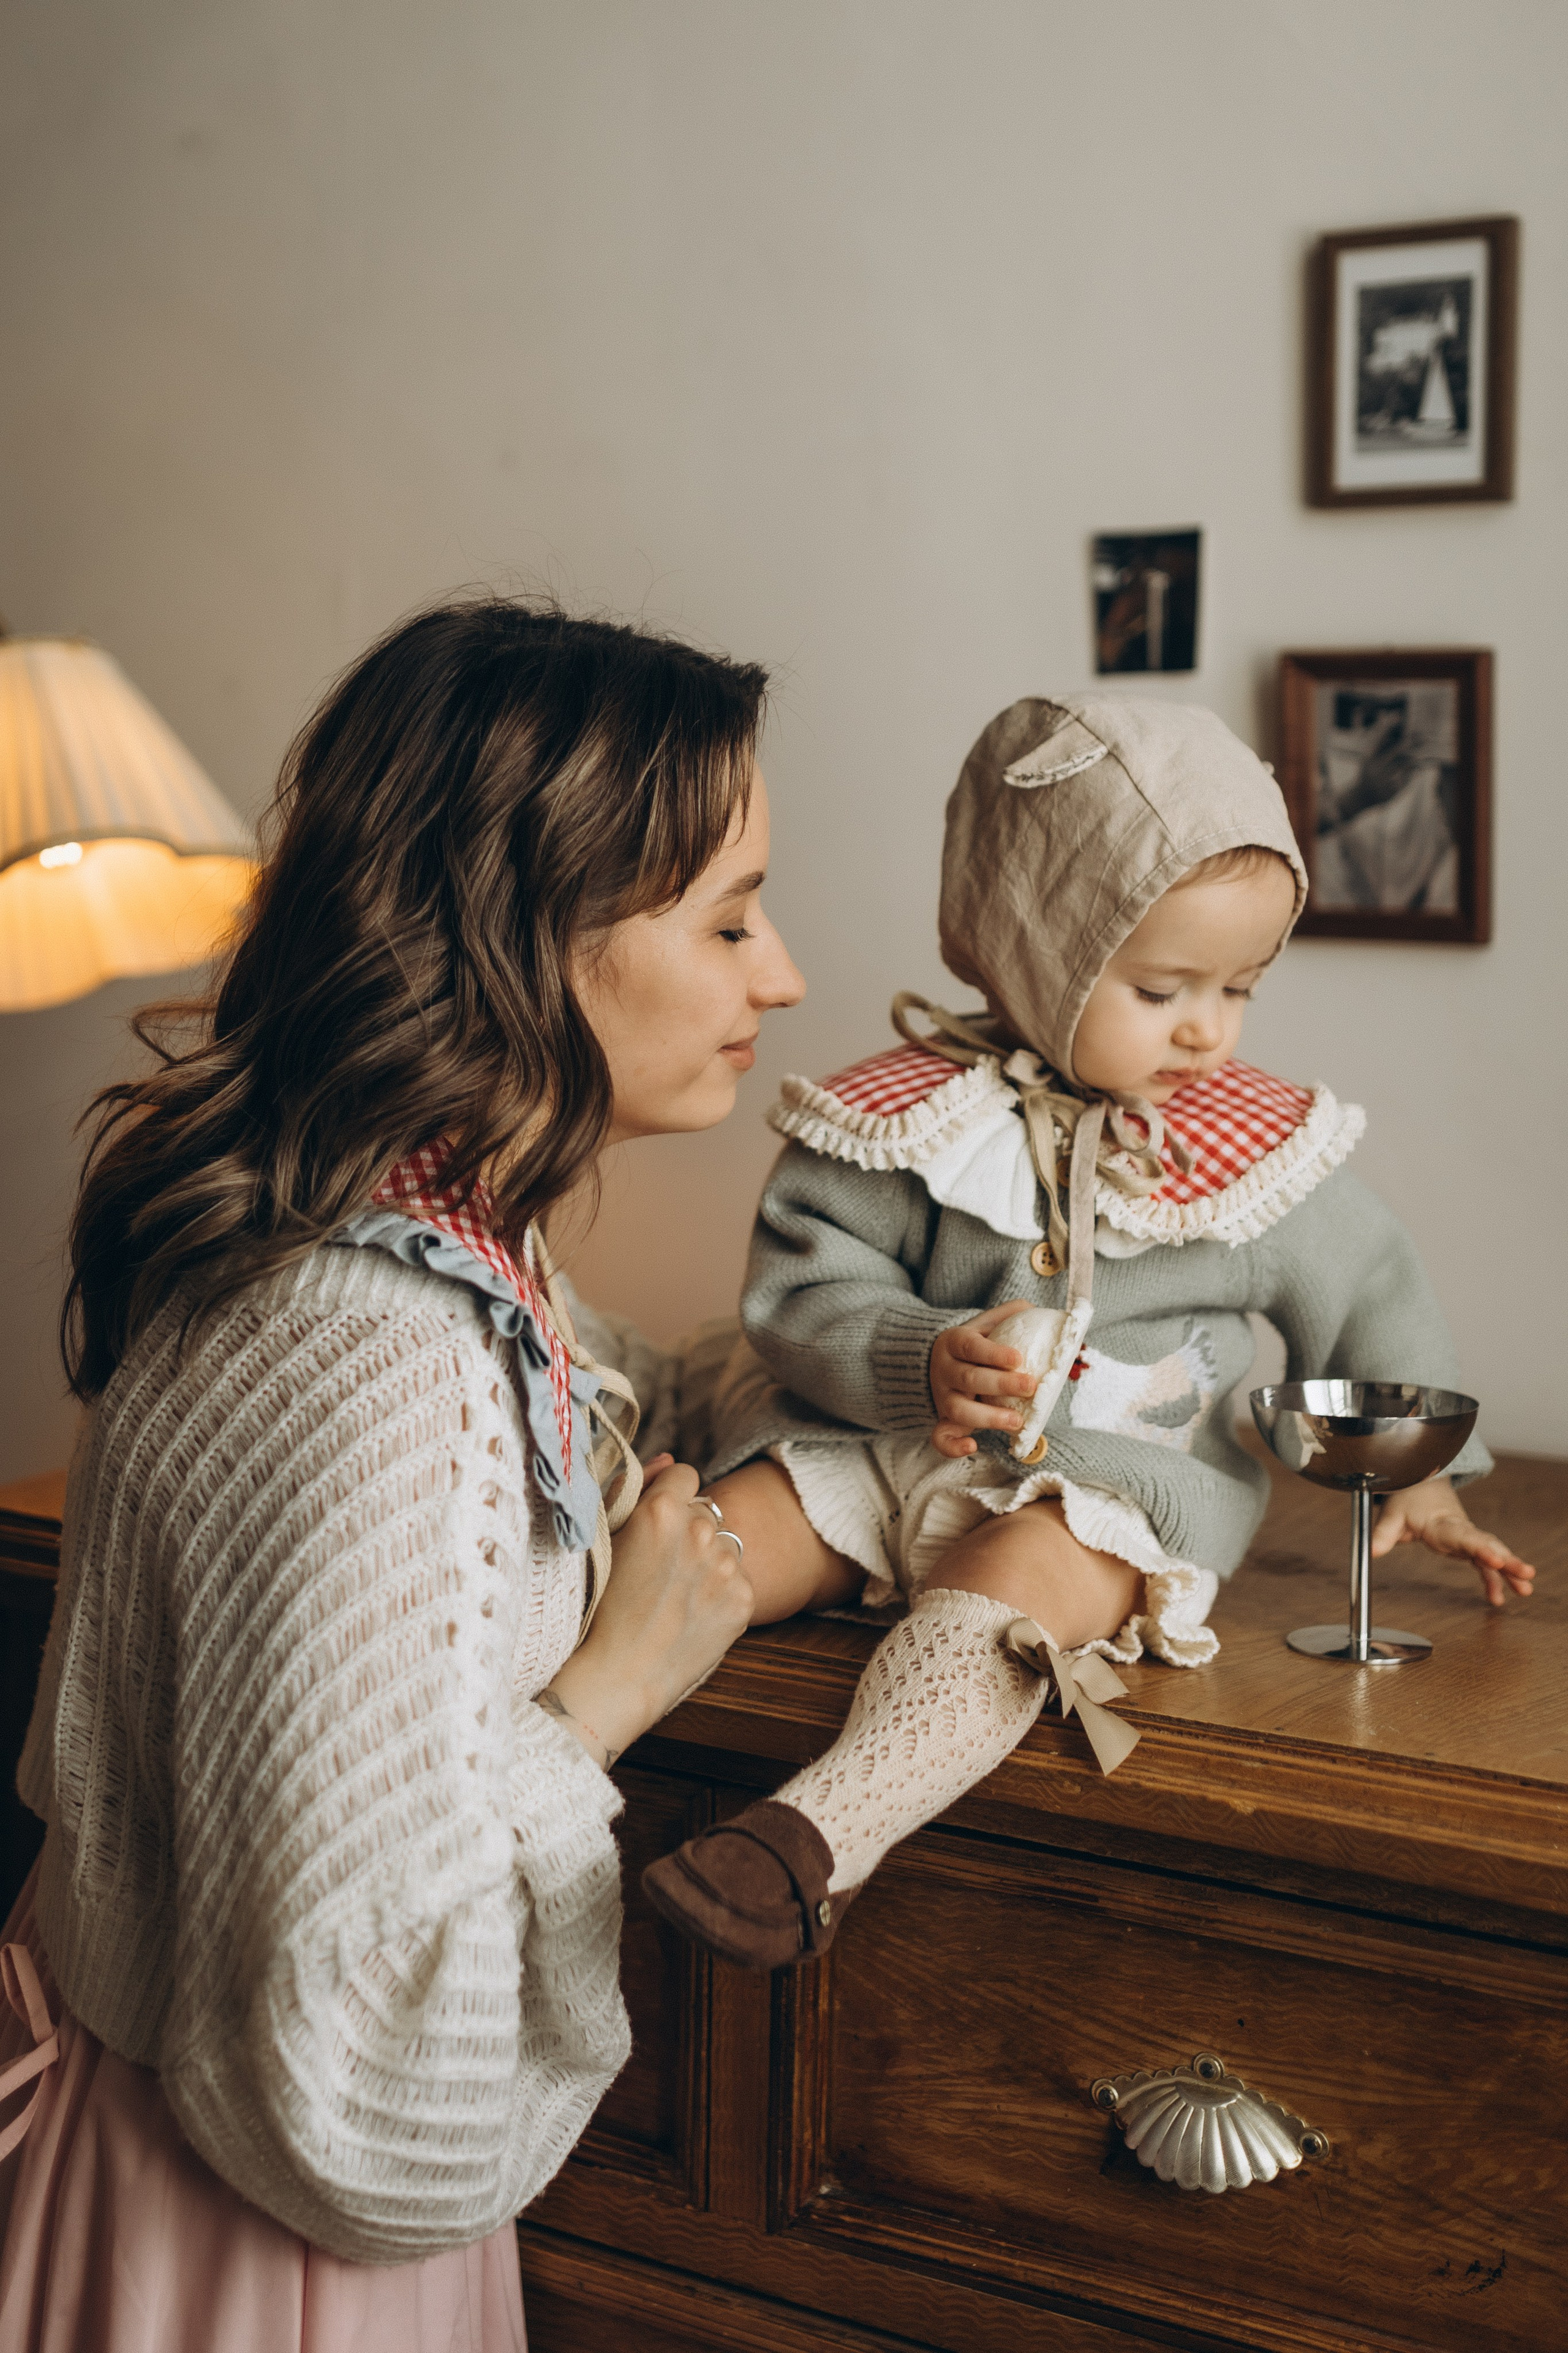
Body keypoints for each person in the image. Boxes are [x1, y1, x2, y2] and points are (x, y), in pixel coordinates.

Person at [0, 598, 804, 2350]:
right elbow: (352, 2053)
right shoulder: (391, 1363)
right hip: (259, 2250)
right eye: (731, 917)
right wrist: (608, 1693)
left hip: (132, 2162)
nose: (782, 973)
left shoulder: (364, 1229)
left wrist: (875, 1356)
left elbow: (598, 1379)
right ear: (541, 932)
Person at [643, 693, 1535, 1970]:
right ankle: (540, 1711)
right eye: (1161, 986)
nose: (1204, 1029)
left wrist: (1428, 1480)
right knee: (728, 1528)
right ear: (1028, 954)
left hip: (1112, 1486)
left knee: (1012, 1595)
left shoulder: (1253, 1155)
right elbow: (797, 1299)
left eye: (1236, 988)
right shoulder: (899, 1127)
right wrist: (913, 1353)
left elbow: (1368, 1289)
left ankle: (808, 1840)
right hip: (875, 1445)